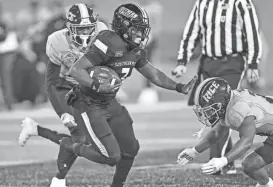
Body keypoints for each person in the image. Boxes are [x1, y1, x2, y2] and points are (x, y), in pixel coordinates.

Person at [58, 3, 197, 187]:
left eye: (142, 30)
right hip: (88, 103)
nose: (140, 34)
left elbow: (154, 74)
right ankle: (70, 146)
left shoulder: (136, 50)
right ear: (123, 27)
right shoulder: (109, 41)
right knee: (111, 156)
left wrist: (179, 87)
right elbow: (76, 70)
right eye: (136, 29)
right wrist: (95, 84)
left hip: (109, 102)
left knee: (131, 149)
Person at [17, 3, 108, 187]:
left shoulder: (102, 32)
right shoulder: (57, 42)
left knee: (89, 138)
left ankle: (35, 130)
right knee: (80, 135)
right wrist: (63, 110)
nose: (85, 33)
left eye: (88, 28)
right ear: (70, 27)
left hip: (85, 85)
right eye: (80, 29)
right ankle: (58, 179)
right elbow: (52, 82)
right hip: (63, 86)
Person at [172, 0, 262, 174]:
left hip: (233, 62)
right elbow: (191, 32)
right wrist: (182, 61)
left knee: (225, 109)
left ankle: (217, 162)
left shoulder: (241, 3)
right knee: (212, 112)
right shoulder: (203, 3)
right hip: (208, 63)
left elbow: (252, 33)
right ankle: (226, 161)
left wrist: (253, 64)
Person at [177, 77, 273, 187]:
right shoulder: (229, 104)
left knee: (250, 164)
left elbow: (246, 142)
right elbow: (216, 133)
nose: (207, 114)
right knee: (250, 164)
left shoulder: (238, 108)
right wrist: (194, 151)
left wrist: (224, 160)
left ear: (220, 102)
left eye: (209, 109)